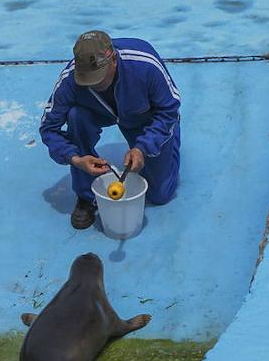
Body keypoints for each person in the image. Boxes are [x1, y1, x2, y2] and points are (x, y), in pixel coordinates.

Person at [39, 30, 182, 229]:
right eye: (86, 78)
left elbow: (169, 109)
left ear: (113, 59)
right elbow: (48, 128)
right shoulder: (69, 79)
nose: (94, 84)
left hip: (141, 114)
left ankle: (168, 143)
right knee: (76, 116)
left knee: (160, 195)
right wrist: (75, 158)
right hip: (99, 111)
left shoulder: (144, 65)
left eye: (99, 77)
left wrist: (143, 147)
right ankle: (85, 196)